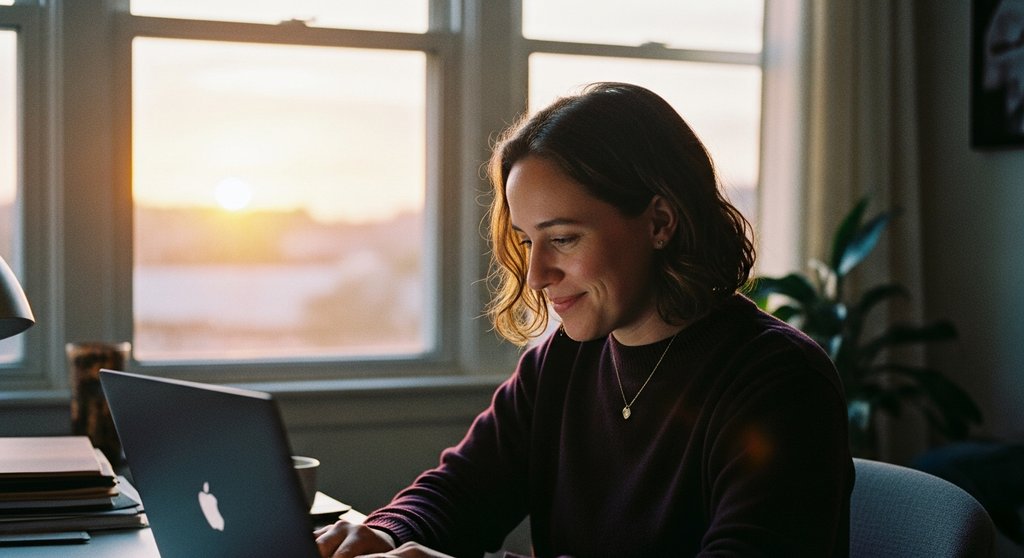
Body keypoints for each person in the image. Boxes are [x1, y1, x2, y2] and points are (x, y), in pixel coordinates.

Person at [315, 82, 854, 557]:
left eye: (564, 239)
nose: (535, 275)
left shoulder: (780, 380)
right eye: (527, 241)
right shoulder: (562, 362)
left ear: (659, 222)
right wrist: (385, 534)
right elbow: (462, 489)